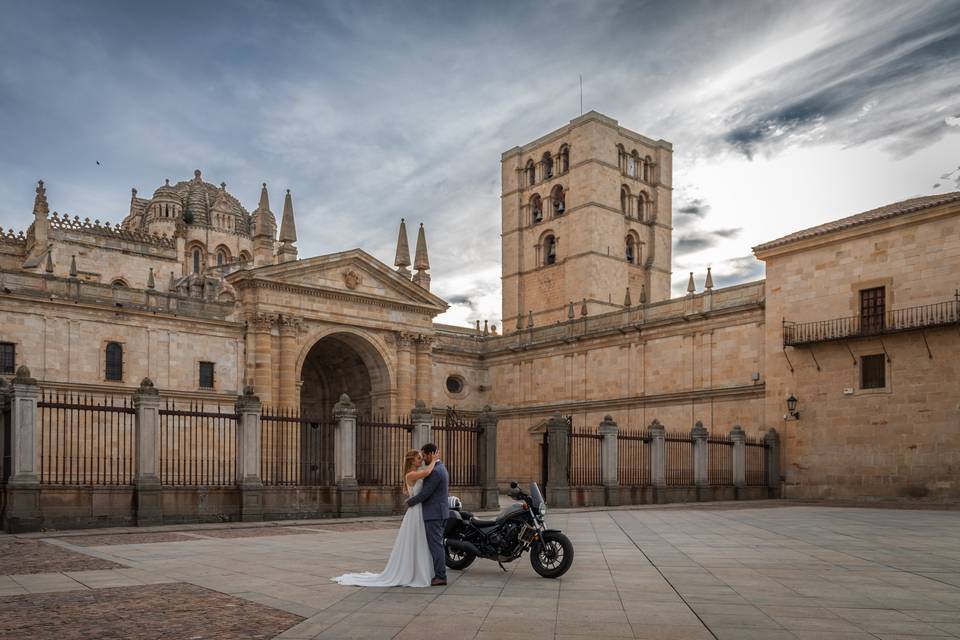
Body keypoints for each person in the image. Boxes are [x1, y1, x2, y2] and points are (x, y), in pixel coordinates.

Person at [331, 449, 436, 587]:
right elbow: (427, 472)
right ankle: (414, 571)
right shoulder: (410, 475)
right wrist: (435, 459)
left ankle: (418, 569)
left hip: (418, 510)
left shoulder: (414, 474)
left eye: (421, 458)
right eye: (418, 458)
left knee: (419, 540)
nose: (421, 460)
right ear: (412, 460)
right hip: (415, 512)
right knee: (415, 540)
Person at [404, 442, 449, 586]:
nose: (423, 459)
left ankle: (441, 576)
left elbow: (425, 494)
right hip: (437, 512)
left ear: (431, 454)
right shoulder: (440, 468)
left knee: (436, 545)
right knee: (433, 544)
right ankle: (432, 572)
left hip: (434, 514)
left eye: (424, 455)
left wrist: (410, 502)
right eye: (420, 457)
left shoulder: (435, 471)